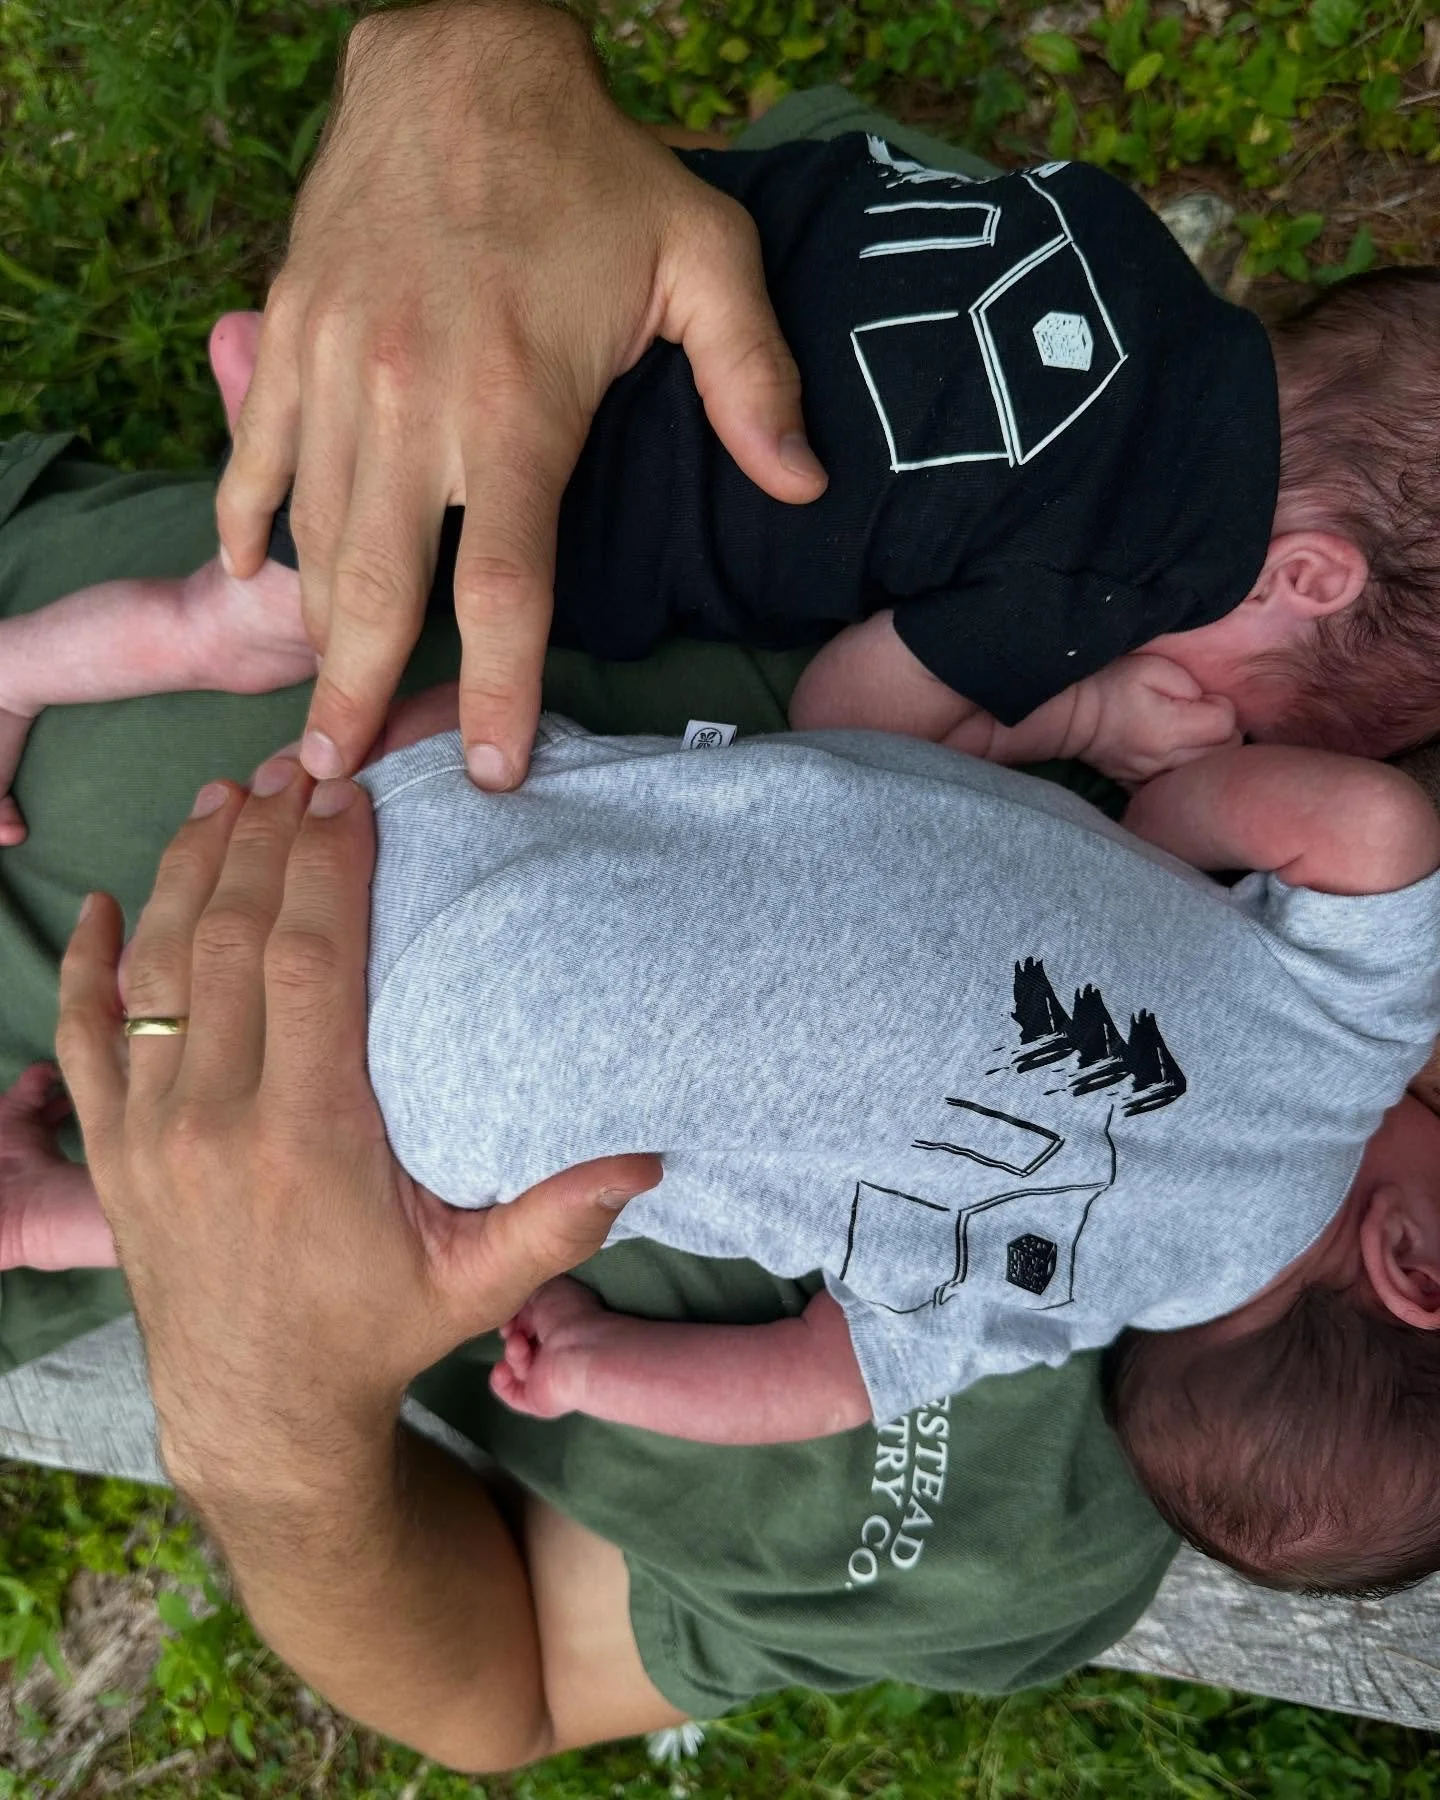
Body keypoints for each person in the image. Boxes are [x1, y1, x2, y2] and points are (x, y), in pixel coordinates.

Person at [6, 158, 1440, 838]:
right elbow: (847, 717)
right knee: (249, 622)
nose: (1211, 715)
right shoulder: (1129, 561)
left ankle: (318, 376)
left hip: (554, 250)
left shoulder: (1119, 235)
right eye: (1250, 704)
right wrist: (1088, 711)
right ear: (1306, 578)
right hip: (519, 465)